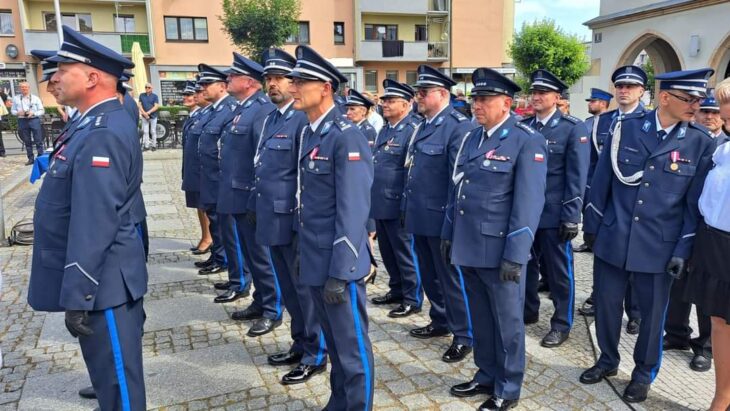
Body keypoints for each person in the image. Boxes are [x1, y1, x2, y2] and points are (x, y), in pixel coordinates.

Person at [27, 24, 146, 410]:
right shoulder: (90, 123)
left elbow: (95, 222)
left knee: (119, 386)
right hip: (100, 278)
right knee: (108, 378)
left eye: (64, 70)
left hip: (103, 281)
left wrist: (79, 292)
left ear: (92, 78)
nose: (55, 79)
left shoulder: (102, 132)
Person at [580, 68, 716, 403]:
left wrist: (683, 249)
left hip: (659, 246)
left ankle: (643, 374)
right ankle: (607, 361)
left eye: (699, 100)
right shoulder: (625, 128)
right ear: (665, 97)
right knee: (607, 308)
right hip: (614, 237)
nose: (696, 106)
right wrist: (593, 227)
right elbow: (601, 182)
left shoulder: (699, 142)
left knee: (653, 318)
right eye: (689, 99)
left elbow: (693, 205)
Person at [444, 67, 547, 411]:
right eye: (475, 98)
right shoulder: (473, 137)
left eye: (485, 99)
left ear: (506, 103)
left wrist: (515, 255)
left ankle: (508, 386)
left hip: (501, 249)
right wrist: (448, 233)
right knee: (481, 318)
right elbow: (458, 189)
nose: (477, 105)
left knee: (507, 324)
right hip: (470, 245)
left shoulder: (525, 140)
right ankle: (486, 373)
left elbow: (528, 203)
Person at [288, 45, 374, 410]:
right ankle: (340, 401)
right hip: (314, 255)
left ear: (325, 88)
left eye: (300, 82)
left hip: (339, 263)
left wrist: (342, 270)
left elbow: (353, 211)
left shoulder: (345, 135)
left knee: (351, 346)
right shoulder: (311, 132)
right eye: (292, 81)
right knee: (335, 344)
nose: (292, 88)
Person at [253, 47, 328, 384]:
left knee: (305, 292)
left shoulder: (301, 120)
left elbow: (305, 176)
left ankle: (316, 353)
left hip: (294, 221)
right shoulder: (272, 118)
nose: (273, 84)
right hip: (272, 218)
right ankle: (300, 343)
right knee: (289, 289)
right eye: (268, 78)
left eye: (280, 78)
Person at [403, 64, 474, 363]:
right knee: (429, 275)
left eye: (424, 92)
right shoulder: (424, 125)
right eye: (417, 92)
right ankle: (440, 319)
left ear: (442, 94)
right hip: (420, 216)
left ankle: (465, 334)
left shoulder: (457, 126)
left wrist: (452, 224)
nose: (418, 97)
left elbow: (458, 181)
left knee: (451, 279)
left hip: (442, 219)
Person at [215, 52, 282, 338]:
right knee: (252, 257)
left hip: (249, 196)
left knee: (262, 257)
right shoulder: (242, 109)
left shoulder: (261, 110)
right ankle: (260, 300)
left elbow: (261, 158)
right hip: (235, 195)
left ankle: (272, 308)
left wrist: (257, 196)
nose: (228, 79)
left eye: (233, 76)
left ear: (249, 82)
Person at [522, 70, 589, 348]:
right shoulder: (525, 126)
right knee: (525, 265)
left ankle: (562, 323)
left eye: (543, 93)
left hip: (554, 214)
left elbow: (577, 175)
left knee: (559, 272)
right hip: (526, 213)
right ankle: (528, 311)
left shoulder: (572, 128)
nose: (536, 97)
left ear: (556, 97)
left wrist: (571, 216)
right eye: (534, 92)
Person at [578, 66, 647, 333]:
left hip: (633, 205)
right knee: (605, 262)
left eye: (630, 86)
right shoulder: (602, 122)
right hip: (605, 204)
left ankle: (635, 312)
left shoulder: (649, 122)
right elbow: (593, 166)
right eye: (619, 86)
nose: (624, 90)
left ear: (641, 91)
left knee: (634, 263)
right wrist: (591, 206)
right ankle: (599, 299)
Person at [663, 90, 724, 374]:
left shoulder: (724, 146)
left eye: (714, 112)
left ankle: (705, 347)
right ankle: (676, 333)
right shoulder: (686, 139)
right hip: (684, 224)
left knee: (708, 290)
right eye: (705, 111)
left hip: (713, 229)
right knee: (678, 282)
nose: (709, 117)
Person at [684, 77, 730, 411]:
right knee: (719, 321)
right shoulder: (722, 151)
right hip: (715, 243)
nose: (726, 125)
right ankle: (722, 395)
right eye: (726, 119)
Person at [370, 79, 423, 318]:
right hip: (381, 201)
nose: (385, 104)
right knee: (388, 251)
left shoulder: (412, 129)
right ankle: (397, 289)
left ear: (406, 104)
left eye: (391, 101)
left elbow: (411, 171)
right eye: (384, 100)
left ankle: (412, 297)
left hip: (398, 203)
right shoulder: (387, 128)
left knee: (405, 253)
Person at [194, 64, 235, 276]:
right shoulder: (213, 110)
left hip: (220, 179)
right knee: (215, 223)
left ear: (221, 86)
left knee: (222, 226)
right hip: (209, 177)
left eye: (207, 83)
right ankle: (218, 256)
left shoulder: (229, 109)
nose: (203, 88)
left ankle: (224, 260)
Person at [344, 89, 379, 283]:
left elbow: (366, 170)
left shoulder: (366, 131)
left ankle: (368, 269)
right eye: (348, 109)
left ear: (364, 111)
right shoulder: (351, 129)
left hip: (365, 191)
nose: (348, 113)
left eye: (353, 109)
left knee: (365, 236)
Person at [573, 88, 612, 253]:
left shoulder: (611, 122)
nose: (589, 104)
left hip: (600, 173)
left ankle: (599, 241)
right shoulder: (587, 122)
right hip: (587, 173)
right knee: (586, 207)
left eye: (593, 101)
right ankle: (588, 240)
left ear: (603, 103)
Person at [11, 81, 45, 165]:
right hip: (22, 120)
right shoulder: (16, 98)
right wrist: (18, 113)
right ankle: (30, 159)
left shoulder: (35, 98)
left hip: (34, 120)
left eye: (25, 87)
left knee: (38, 140)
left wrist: (33, 113)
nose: (24, 88)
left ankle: (40, 157)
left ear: (29, 88)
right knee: (27, 141)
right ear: (19, 88)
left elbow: (42, 110)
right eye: (22, 87)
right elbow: (12, 111)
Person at [139, 82, 159, 151]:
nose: (147, 88)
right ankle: (146, 146)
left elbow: (156, 106)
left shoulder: (155, 96)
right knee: (145, 131)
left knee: (153, 131)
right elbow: (139, 105)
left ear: (152, 88)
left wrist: (148, 112)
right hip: (144, 116)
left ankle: (154, 145)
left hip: (153, 116)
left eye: (149, 87)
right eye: (146, 87)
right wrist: (144, 113)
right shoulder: (141, 95)